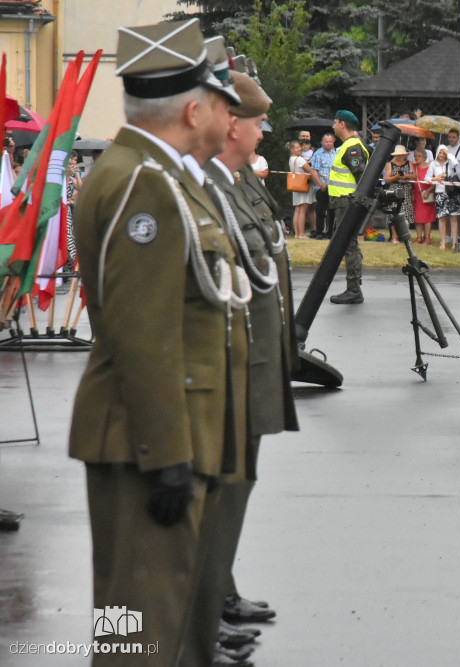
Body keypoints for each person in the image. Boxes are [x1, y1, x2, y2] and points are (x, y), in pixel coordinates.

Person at [68, 19, 248, 666]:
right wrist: (166, 452)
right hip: (144, 442)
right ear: (194, 107)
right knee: (137, 640)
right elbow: (143, 334)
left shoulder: (162, 176)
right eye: (220, 101)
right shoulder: (143, 182)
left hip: (163, 434)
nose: (228, 115)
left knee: (166, 628)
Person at [195, 68, 299, 663]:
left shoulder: (236, 181)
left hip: (255, 357)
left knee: (237, 487)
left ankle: (218, 594)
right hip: (228, 367)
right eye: (258, 123)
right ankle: (201, 613)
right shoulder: (206, 184)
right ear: (230, 122)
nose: (263, 135)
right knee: (217, 493)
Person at [327, 109, 369, 304]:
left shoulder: (352, 147)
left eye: (335, 122)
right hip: (344, 202)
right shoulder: (348, 146)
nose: (333, 126)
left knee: (349, 245)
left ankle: (353, 289)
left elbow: (361, 177)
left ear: (342, 124)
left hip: (347, 202)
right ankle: (353, 287)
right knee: (349, 244)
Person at [287, 139, 320, 239]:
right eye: (296, 148)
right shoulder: (300, 160)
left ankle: (297, 233)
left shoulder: (291, 159)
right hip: (303, 186)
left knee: (297, 209)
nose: (299, 149)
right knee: (303, 210)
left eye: (299, 147)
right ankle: (301, 233)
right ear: (292, 149)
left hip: (295, 186)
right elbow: (310, 170)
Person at [428, 146, 459, 250]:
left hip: (451, 192)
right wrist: (435, 178)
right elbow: (426, 178)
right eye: (440, 152)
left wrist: (448, 153)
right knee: (442, 218)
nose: (442, 155)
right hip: (440, 192)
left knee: (454, 217)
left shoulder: (449, 162)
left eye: (443, 153)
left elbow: (455, 163)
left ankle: (454, 243)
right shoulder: (433, 164)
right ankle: (443, 242)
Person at [383, 144, 415, 242]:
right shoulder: (390, 164)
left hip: (405, 190)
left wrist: (406, 176)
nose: (402, 157)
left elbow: (414, 176)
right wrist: (396, 177)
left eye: (403, 155)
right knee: (394, 213)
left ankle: (406, 237)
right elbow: (386, 179)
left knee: (406, 214)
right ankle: (394, 237)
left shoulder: (409, 163)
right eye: (399, 155)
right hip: (394, 190)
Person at [309, 132, 337, 239]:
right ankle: (319, 232)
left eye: (330, 141)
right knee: (321, 210)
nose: (329, 144)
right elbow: (314, 171)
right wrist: (320, 184)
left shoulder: (336, 153)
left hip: (334, 186)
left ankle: (330, 232)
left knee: (332, 210)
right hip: (322, 187)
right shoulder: (318, 154)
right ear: (322, 142)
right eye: (326, 142)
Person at [411, 148, 436, 244]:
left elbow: (435, 181)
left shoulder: (430, 167)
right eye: (415, 156)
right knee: (418, 217)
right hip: (417, 194)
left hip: (427, 194)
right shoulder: (414, 167)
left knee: (427, 218)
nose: (417, 158)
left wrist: (429, 191)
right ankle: (418, 237)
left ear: (425, 157)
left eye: (419, 156)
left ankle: (427, 238)